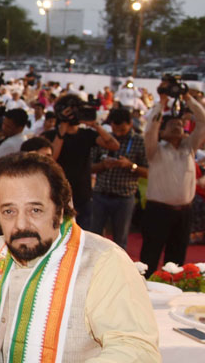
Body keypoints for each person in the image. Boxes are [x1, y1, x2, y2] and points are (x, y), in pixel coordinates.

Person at [0, 153, 159, 363]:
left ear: (60, 209)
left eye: (35, 210)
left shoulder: (101, 260)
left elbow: (139, 352)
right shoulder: (0, 249)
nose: (21, 224)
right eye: (9, 211)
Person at [139, 92, 205, 272]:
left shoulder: (190, 149)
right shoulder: (155, 150)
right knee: (150, 257)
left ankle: (171, 286)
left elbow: (202, 121)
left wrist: (188, 98)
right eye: (172, 125)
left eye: (180, 125)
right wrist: (161, 103)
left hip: (184, 212)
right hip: (158, 211)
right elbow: (150, 128)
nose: (177, 127)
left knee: (176, 261)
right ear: (162, 131)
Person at [42, 94, 120, 227]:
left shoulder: (87, 134)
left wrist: (95, 125)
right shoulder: (50, 135)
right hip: (57, 194)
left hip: (83, 195)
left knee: (83, 235)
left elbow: (114, 145)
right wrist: (63, 127)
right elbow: (52, 158)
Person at [88, 107, 147, 247]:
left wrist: (130, 165)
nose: (118, 133)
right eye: (115, 129)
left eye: (122, 130)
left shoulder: (139, 141)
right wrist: (102, 165)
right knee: (93, 238)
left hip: (124, 197)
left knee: (120, 241)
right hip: (100, 194)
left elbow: (148, 172)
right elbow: (88, 167)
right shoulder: (104, 139)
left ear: (130, 124)